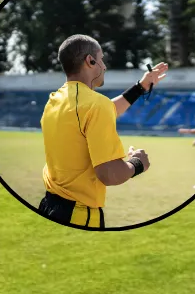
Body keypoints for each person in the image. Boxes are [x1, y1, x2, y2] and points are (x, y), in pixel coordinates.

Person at [37, 34, 168, 229]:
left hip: (49, 205)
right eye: (101, 59)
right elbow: (109, 174)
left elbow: (108, 109)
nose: (104, 66)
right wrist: (138, 163)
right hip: (79, 215)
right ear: (90, 61)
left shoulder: (55, 99)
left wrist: (141, 87)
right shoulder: (96, 105)